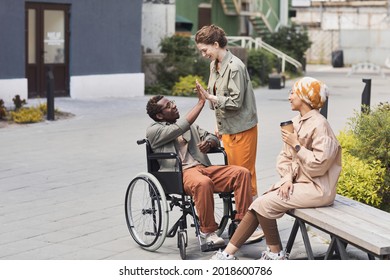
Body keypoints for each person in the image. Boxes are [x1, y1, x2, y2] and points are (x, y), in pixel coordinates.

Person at [210, 76, 342, 260]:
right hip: (300, 183)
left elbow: (319, 166)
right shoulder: (295, 122)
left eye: (293, 92)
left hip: (318, 187)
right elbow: (284, 157)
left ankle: (266, 254)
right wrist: (287, 178)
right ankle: (236, 254)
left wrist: (297, 145)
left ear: (304, 96)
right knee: (261, 202)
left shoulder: (320, 125)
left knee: (264, 203)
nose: (289, 97)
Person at [145, 92, 254, 246]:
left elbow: (212, 136)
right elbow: (179, 128)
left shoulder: (191, 127)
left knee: (241, 173)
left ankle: (242, 224)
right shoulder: (154, 130)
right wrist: (200, 103)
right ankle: (208, 232)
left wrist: (209, 143)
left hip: (203, 167)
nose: (174, 105)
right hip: (181, 173)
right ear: (160, 116)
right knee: (202, 183)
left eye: (172, 102)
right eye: (169, 105)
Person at [194, 25, 259, 200]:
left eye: (204, 50)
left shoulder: (235, 67)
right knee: (235, 177)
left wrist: (210, 97)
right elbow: (217, 96)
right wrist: (217, 122)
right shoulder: (214, 66)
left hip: (242, 129)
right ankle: (243, 219)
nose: (203, 54)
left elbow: (235, 102)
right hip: (227, 130)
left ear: (216, 44)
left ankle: (255, 222)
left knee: (245, 176)